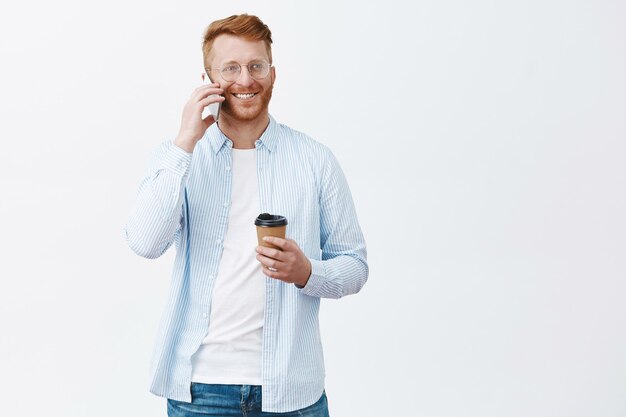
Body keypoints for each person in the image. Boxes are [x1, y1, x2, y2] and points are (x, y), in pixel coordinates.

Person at [124, 14, 368, 416]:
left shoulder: (315, 160)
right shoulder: (179, 158)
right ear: (208, 78)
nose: (246, 80)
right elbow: (144, 242)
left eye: (256, 66)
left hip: (292, 392)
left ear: (273, 73)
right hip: (200, 390)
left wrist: (307, 272)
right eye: (230, 68)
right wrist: (186, 140)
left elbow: (355, 265)